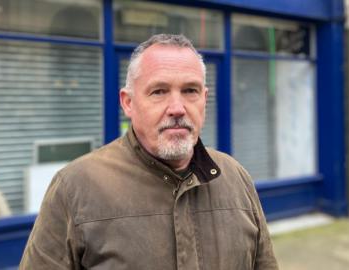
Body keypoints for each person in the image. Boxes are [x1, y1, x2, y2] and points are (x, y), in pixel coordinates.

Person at [20, 34, 278, 270]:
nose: (177, 108)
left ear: (204, 99)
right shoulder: (75, 187)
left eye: (190, 91)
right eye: (159, 91)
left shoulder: (235, 178)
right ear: (128, 103)